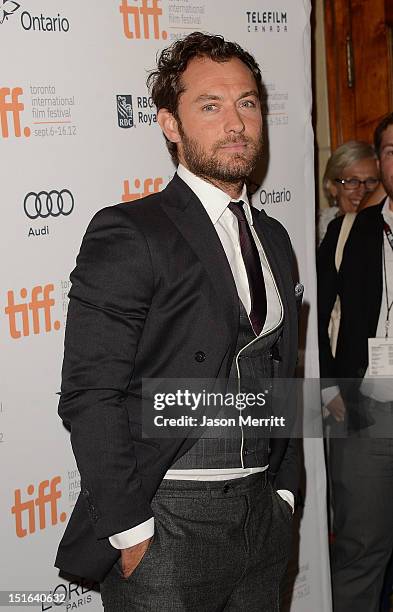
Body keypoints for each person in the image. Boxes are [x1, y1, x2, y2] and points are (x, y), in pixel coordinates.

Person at [55, 32, 301, 611]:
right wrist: (132, 531)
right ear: (170, 123)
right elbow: (90, 393)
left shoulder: (276, 237)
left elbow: (282, 373)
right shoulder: (131, 231)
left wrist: (286, 492)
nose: (236, 123)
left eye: (247, 102)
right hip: (166, 521)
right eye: (210, 106)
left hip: (262, 516)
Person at [317, 113, 393, 612]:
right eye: (390, 150)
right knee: (361, 550)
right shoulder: (349, 231)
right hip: (367, 411)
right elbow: (314, 316)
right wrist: (327, 390)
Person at [318, 140, 379, 244]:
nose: (362, 191)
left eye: (371, 181)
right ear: (332, 187)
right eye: (352, 181)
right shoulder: (316, 231)